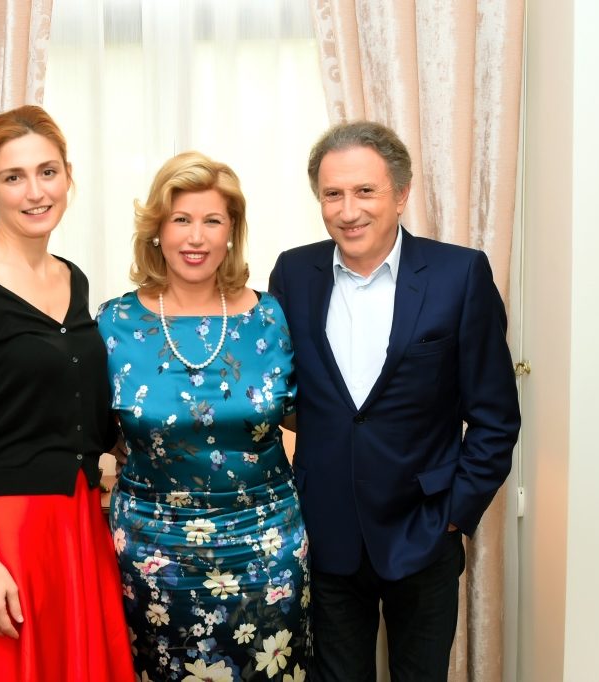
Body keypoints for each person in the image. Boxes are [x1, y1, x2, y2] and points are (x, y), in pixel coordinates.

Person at [268, 120, 521, 681]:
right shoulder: (293, 273)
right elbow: (282, 395)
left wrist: (454, 515)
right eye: (332, 194)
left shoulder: (460, 274)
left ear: (401, 194)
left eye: (365, 191)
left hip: (424, 531)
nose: (347, 209)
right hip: (326, 530)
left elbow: (495, 416)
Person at [0, 105, 132, 681]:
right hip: (4, 531)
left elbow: (84, 408)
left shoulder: (74, 278)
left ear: (68, 176)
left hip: (79, 521)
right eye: (14, 177)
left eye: (48, 171)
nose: (35, 191)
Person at [97, 151, 310, 681]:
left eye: (212, 220)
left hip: (266, 550)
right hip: (153, 553)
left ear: (232, 230)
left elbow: (313, 417)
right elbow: (87, 431)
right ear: (157, 231)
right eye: (181, 220)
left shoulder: (270, 317)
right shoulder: (113, 322)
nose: (196, 238)